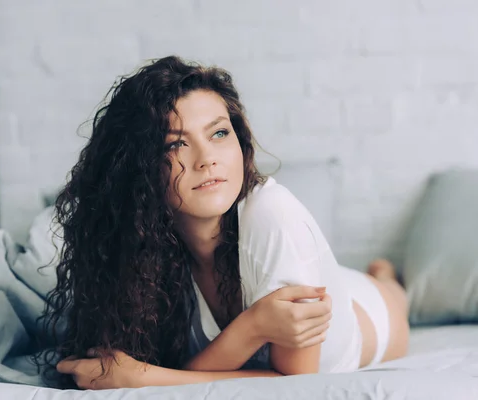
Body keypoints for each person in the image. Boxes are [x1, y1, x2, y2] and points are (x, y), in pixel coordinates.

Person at [35, 56, 409, 390]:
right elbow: (187, 372)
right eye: (174, 144)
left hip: (373, 316)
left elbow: (296, 387)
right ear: (139, 170)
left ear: (239, 141)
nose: (206, 159)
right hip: (307, 273)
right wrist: (253, 327)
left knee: (391, 292)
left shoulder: (272, 213)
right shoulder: (147, 250)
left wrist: (139, 378)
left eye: (218, 133)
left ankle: (386, 276)